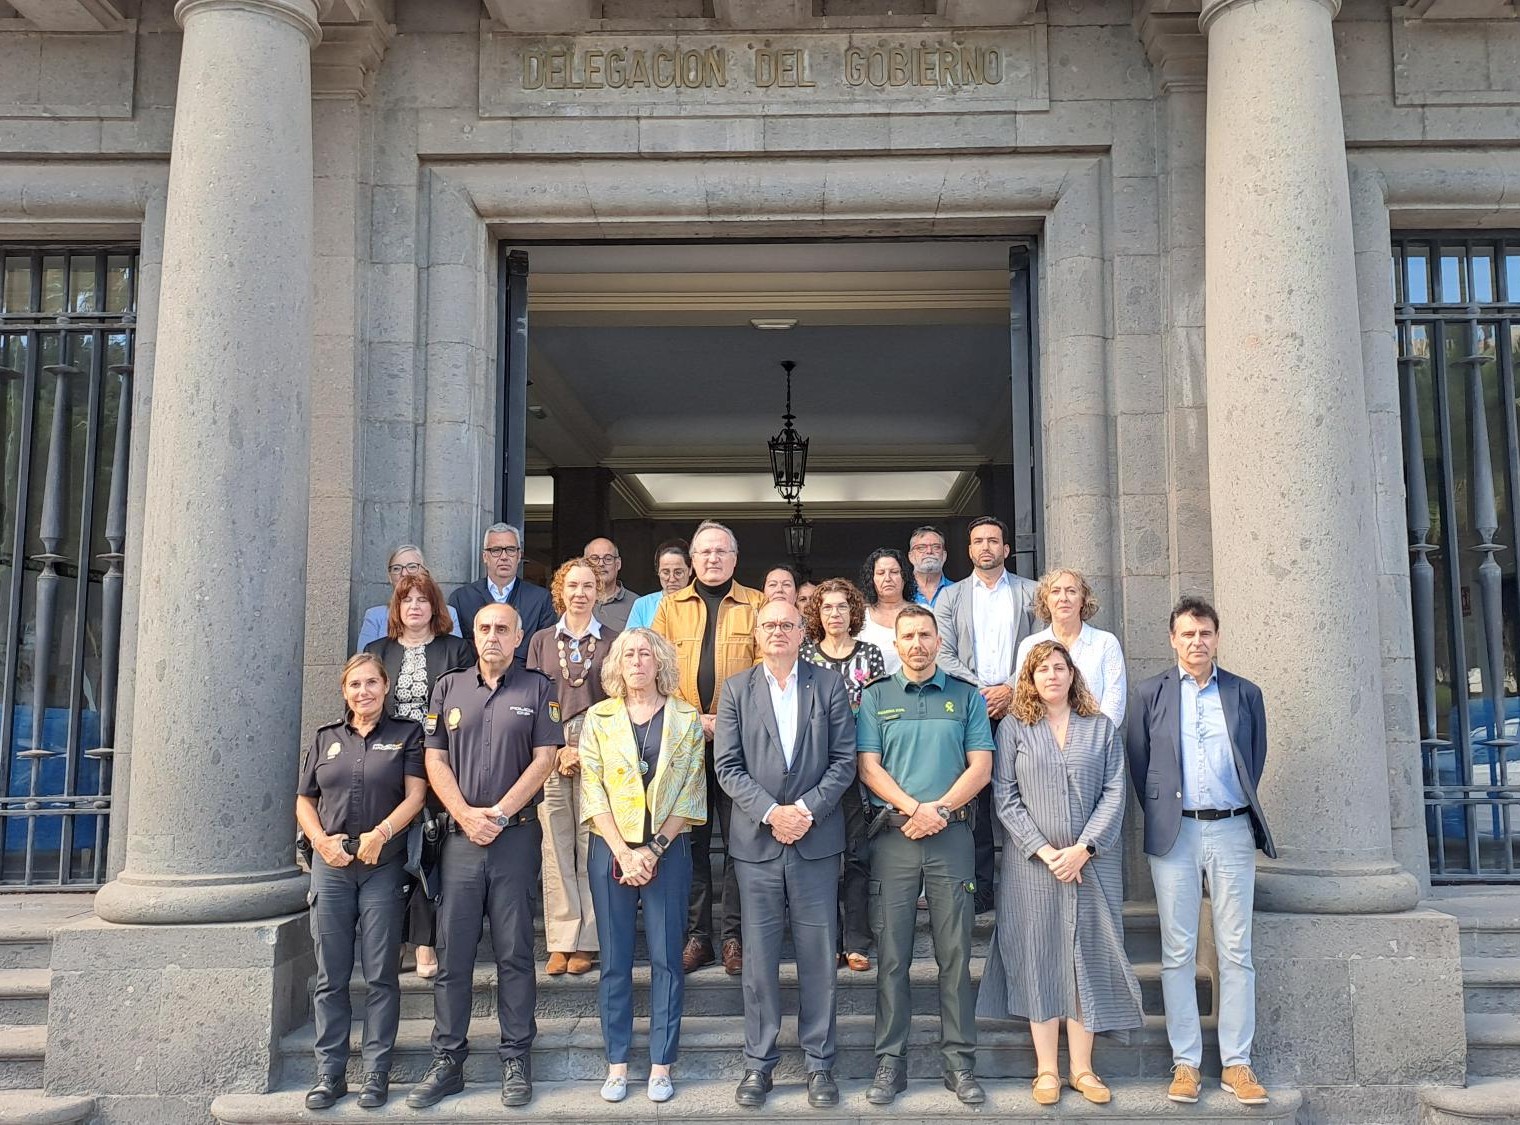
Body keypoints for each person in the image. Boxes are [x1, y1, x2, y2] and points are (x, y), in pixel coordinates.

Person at [405, 603, 562, 1110]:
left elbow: (546, 760)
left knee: (516, 952)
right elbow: (434, 758)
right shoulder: (449, 687)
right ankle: (447, 1060)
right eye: (485, 628)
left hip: (514, 839)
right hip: (459, 842)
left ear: (519, 637)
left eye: (502, 629)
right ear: (473, 635)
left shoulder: (538, 689)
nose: (493, 636)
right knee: (453, 956)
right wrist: (467, 815)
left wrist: (495, 813)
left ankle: (516, 1058)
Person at [977, 640, 1141, 1107]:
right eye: (1042, 669)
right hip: (1034, 867)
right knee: (1039, 956)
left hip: (1091, 865)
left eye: (1059, 667)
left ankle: (1083, 1069)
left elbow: (1115, 792)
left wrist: (1083, 849)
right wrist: (1045, 851)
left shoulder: (1100, 728)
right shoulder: (1014, 728)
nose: (1052, 675)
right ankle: (1046, 1070)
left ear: (1073, 674)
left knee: (1085, 957)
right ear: (1028, 678)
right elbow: (1004, 797)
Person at [1126, 595, 1275, 1107]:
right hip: (1177, 833)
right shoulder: (1149, 694)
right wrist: (1169, 813)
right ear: (1172, 639)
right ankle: (1185, 1062)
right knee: (1178, 951)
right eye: (1187, 634)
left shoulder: (1244, 693)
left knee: (1236, 950)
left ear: (1217, 637)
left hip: (1232, 832)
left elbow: (1252, 758)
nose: (1196, 642)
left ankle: (1237, 1063)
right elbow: (1140, 763)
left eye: (1205, 633)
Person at [715, 599, 857, 1109]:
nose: (778, 632)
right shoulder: (735, 689)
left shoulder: (829, 685)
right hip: (757, 845)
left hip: (816, 844)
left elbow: (844, 762)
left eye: (788, 625)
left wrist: (805, 811)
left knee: (819, 957)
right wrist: (773, 813)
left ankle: (820, 1065)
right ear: (757, 634)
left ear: (803, 633)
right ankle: (759, 1064)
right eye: (770, 625)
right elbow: (727, 767)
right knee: (758, 961)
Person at [856, 605, 992, 1108]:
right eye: (908, 635)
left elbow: (981, 766)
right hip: (893, 839)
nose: (917, 643)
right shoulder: (875, 697)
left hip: (951, 838)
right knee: (892, 956)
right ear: (896, 643)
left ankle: (960, 1064)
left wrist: (939, 810)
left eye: (925, 635)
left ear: (938, 641)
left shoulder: (965, 696)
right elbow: (868, 768)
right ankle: (890, 1061)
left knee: (955, 955)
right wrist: (916, 809)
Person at [579, 628, 707, 1105]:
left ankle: (660, 1064)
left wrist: (651, 850)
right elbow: (591, 790)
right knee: (613, 961)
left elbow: (692, 792)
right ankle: (616, 1064)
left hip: (666, 852)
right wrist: (623, 851)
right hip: (610, 851)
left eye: (645, 654)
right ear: (617, 663)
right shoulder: (599, 716)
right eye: (628, 653)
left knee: (666, 960)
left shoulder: (685, 717)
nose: (637, 661)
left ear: (659, 663)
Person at [296, 653, 427, 1111]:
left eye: (372, 683)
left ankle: (376, 1075)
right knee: (331, 976)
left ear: (386, 686)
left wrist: (382, 833)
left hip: (382, 866)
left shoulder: (406, 734)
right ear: (344, 690)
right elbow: (304, 799)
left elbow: (416, 794)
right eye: (355, 685)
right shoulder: (325, 737)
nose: (364, 692)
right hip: (331, 867)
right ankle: (329, 1075)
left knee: (380, 975)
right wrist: (319, 843)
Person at [652, 519, 765, 976]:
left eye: (721, 552)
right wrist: (691, 720)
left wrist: (727, 720)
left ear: (735, 559)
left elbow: (765, 668)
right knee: (690, 842)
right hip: (683, 741)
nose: (713, 559)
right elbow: (656, 667)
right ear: (693, 560)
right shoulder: (669, 607)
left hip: (740, 743)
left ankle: (734, 936)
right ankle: (698, 935)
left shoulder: (757, 603)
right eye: (705, 552)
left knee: (741, 842)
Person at [363, 572, 473, 981]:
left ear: (434, 607)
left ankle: (425, 941)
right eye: (406, 600)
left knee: (428, 853)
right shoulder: (378, 651)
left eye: (422, 600)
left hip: (438, 761)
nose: (414, 607)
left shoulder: (457, 651)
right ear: (396, 607)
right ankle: (392, 941)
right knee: (390, 852)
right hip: (387, 764)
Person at [933, 515, 1039, 914]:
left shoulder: (1031, 593)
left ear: (1006, 549)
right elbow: (943, 653)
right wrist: (980, 691)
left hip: (1021, 706)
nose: (985, 547)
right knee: (974, 798)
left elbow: (1041, 646)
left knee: (1022, 794)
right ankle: (980, 889)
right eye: (978, 541)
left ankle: (1024, 883)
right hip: (971, 707)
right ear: (969, 550)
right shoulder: (951, 597)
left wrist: (1011, 688)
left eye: (993, 541)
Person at [525, 557, 619, 977]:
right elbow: (530, 700)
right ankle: (562, 941)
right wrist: (558, 745)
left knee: (592, 844)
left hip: (600, 751)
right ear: (559, 591)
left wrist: (586, 747)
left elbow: (621, 701)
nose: (580, 593)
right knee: (555, 844)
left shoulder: (614, 641)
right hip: (550, 750)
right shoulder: (541, 641)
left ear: (598, 592)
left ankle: (589, 941)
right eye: (572, 585)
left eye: (588, 586)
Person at [799, 577, 884, 971]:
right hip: (814, 770)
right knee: (819, 859)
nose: (835, 614)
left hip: (859, 769)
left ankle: (857, 941)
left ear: (855, 613)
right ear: (817, 614)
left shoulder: (872, 655)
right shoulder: (804, 657)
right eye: (827, 607)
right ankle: (827, 941)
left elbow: (878, 713)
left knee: (857, 855)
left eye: (842, 606)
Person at [1015, 568, 1127, 728]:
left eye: (1071, 591)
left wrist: (1093, 740)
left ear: (1083, 600)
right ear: (1045, 600)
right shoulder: (1030, 645)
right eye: (1055, 591)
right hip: (1043, 744)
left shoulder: (1106, 643)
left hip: (1094, 745)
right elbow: (1023, 699)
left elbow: (1114, 702)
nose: (1063, 598)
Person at [447, 523, 554, 667]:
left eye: (510, 550)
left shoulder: (540, 599)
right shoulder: (461, 598)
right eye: (496, 550)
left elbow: (545, 652)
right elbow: (454, 654)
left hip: (524, 684)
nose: (504, 557)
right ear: (485, 556)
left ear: (519, 555)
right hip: (475, 684)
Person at [356, 544, 461, 650]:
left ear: (425, 572)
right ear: (390, 577)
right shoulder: (375, 616)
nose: (404, 573)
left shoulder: (449, 613)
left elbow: (455, 652)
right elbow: (364, 660)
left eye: (412, 567)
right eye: (396, 568)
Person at [857, 547, 918, 676]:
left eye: (894, 572)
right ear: (872, 579)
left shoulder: (923, 613)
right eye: (880, 573)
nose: (887, 578)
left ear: (904, 577)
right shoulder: (860, 618)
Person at [626, 539, 692, 631]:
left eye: (678, 572)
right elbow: (630, 642)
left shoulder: (700, 603)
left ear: (690, 570)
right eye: (666, 572)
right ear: (658, 572)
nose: (672, 579)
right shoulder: (642, 605)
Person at [586, 536, 642, 630]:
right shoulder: (576, 600)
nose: (601, 564)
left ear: (618, 564)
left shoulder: (637, 604)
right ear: (585, 564)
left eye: (608, 559)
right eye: (595, 559)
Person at [908, 525, 952, 607]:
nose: (929, 551)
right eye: (921, 548)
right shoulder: (900, 591)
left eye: (936, 547)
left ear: (944, 555)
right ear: (911, 556)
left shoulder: (959, 590)